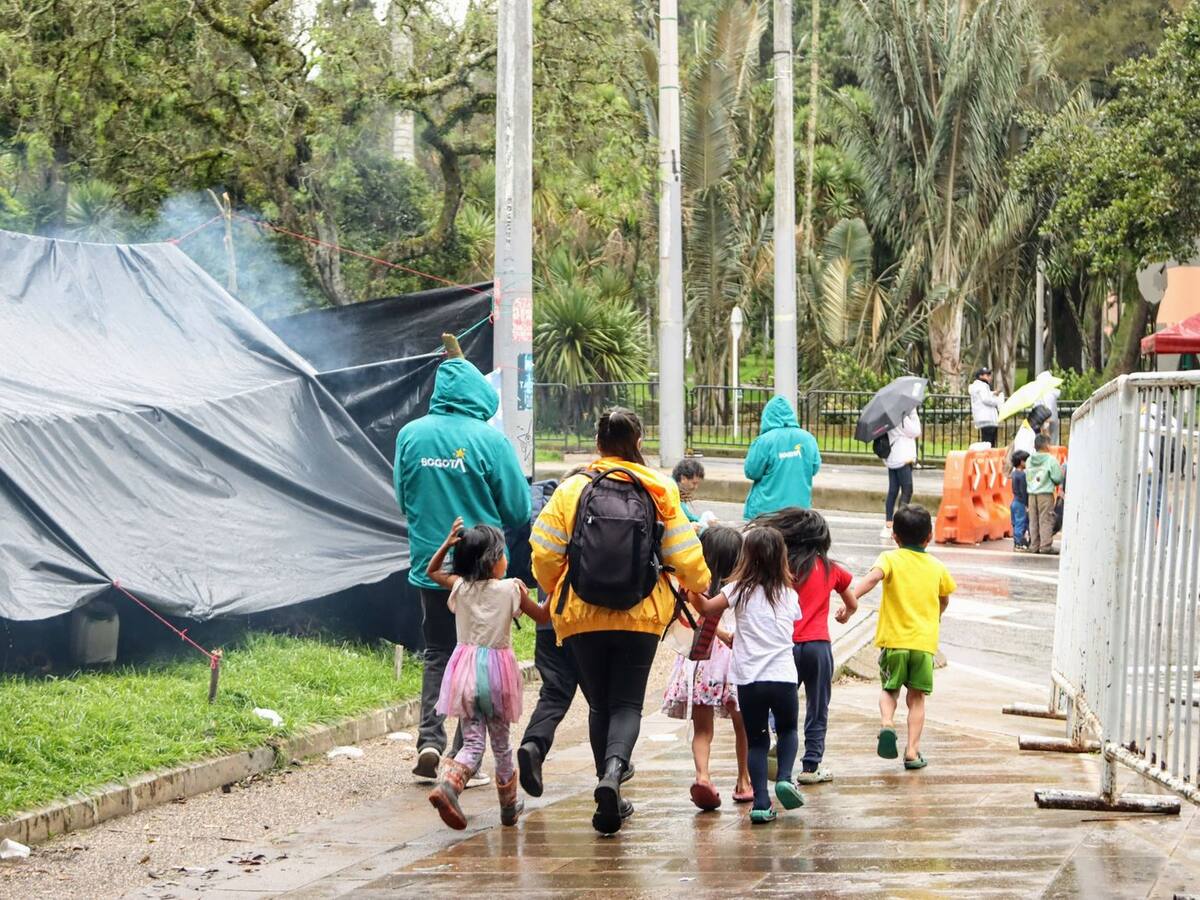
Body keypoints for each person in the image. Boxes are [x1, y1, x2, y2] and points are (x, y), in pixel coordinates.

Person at [530, 408, 710, 834]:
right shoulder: (658, 488)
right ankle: (613, 774)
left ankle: (606, 788)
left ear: (598, 442)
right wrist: (698, 584)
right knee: (628, 703)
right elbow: (687, 557)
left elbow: (542, 552)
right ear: (639, 443)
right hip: (640, 616)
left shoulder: (573, 488)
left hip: (581, 616)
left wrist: (558, 587)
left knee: (600, 705)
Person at [394, 354, 532, 784]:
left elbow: (402, 497)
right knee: (474, 657)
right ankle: (459, 755)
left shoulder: (410, 435)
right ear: (477, 395)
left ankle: (429, 741)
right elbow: (518, 508)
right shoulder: (490, 441)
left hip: (431, 566)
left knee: (439, 653)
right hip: (483, 573)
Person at [424, 518, 550, 830]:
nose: (507, 559)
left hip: (465, 674)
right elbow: (545, 615)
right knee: (502, 744)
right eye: (504, 554)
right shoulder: (511, 589)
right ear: (493, 561)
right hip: (497, 677)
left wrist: (446, 544)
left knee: (473, 743)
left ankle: (451, 784)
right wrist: (558, 582)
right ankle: (507, 807)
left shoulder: (461, 588)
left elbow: (432, 572)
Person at [692, 526, 804, 825]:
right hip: (783, 677)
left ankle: (762, 804)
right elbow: (793, 622)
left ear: (747, 557)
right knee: (789, 730)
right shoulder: (788, 594)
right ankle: (784, 778)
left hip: (749, 680)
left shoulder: (737, 590)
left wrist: (690, 584)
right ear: (781, 557)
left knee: (757, 741)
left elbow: (704, 607)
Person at [754, 508, 857, 784]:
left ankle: (778, 738)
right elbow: (852, 602)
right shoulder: (830, 567)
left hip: (785, 647)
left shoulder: (780, 567)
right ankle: (811, 766)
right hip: (818, 647)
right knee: (818, 706)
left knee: (780, 702)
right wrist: (845, 614)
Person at [852, 504, 955, 770]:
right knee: (917, 698)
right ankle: (912, 750)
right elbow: (944, 599)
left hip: (894, 641)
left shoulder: (889, 559)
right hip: (923, 644)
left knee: (889, 689)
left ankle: (887, 723)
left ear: (895, 537)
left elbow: (872, 579)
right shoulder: (937, 567)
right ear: (929, 537)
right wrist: (937, 616)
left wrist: (849, 600)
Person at [661, 526, 753, 810]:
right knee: (744, 725)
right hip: (733, 662)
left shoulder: (693, 585)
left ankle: (703, 776)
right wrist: (727, 636)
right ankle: (744, 780)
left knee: (702, 729)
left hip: (699, 663)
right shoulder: (739, 587)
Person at [743, 396, 821, 520]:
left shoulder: (764, 441)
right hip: (799, 512)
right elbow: (815, 468)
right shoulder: (808, 439)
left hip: (766, 513)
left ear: (767, 416)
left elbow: (751, 472)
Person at [883, 408, 921, 538]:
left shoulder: (888, 415)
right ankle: (901, 524)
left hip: (893, 457)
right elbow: (916, 431)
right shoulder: (900, 416)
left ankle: (889, 523)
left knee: (893, 490)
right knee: (907, 489)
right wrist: (913, 413)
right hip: (903, 458)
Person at [1027, 435, 1064, 555]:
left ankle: (1034, 545)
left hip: (1032, 494)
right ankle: (1046, 546)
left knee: (1033, 520)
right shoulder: (1050, 460)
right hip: (1045, 494)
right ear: (1047, 445)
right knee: (1046, 520)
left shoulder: (1029, 460)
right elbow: (1057, 478)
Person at [969, 368, 1002, 446]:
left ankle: (988, 456)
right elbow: (986, 399)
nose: (989, 377)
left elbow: (983, 397)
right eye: (987, 375)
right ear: (980, 376)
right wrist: (998, 401)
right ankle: (989, 457)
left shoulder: (977, 386)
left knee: (986, 442)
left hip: (983, 418)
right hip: (987, 418)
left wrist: (993, 393)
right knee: (989, 442)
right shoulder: (982, 385)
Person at [672, 458, 706, 527]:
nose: (696, 487)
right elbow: (686, 516)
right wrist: (703, 521)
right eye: (694, 483)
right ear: (683, 478)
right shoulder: (672, 491)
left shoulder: (675, 487)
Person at [1010, 450, 1030, 551]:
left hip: (1014, 501)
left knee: (1016, 523)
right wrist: (1027, 504)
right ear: (1021, 462)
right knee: (1021, 523)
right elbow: (1023, 491)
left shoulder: (1013, 473)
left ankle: (1017, 542)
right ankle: (1019, 543)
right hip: (1020, 502)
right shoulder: (1022, 475)